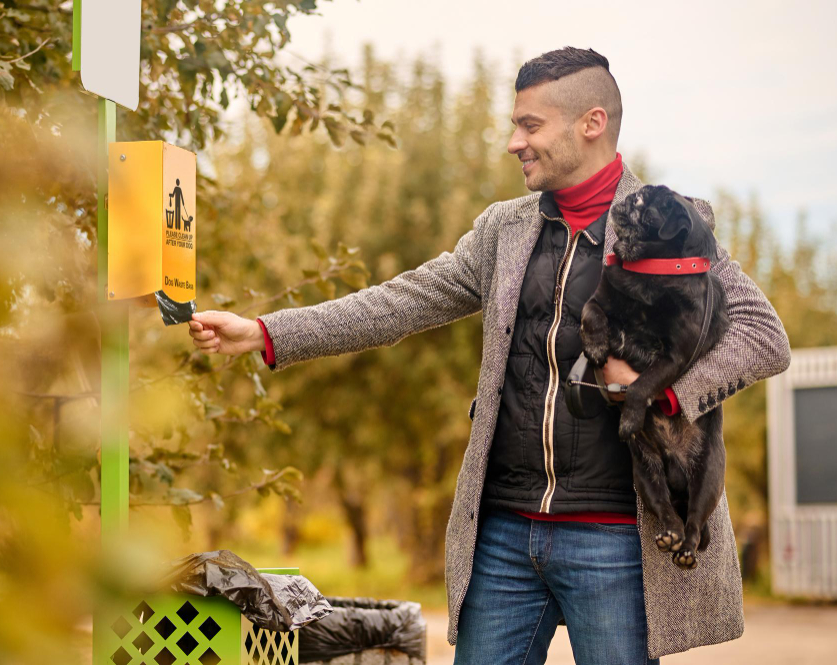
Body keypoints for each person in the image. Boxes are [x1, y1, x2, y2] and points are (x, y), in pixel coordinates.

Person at [187, 47, 791, 664]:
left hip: (617, 539)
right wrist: (266, 332)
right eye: (514, 125)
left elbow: (763, 334)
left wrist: (662, 393)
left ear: (592, 123)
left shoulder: (670, 224)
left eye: (530, 125)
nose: (513, 142)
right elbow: (402, 301)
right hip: (503, 534)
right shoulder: (505, 230)